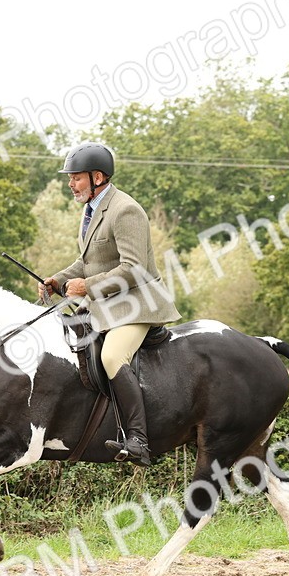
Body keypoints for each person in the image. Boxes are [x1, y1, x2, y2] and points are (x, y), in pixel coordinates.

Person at [39, 143, 180, 467]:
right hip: (108, 305)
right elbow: (87, 260)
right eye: (71, 178)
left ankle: (139, 440)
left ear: (97, 176)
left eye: (76, 178)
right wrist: (58, 280)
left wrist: (87, 286)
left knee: (112, 355)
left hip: (137, 303)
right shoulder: (92, 210)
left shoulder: (125, 210)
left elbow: (134, 269)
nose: (71, 184)